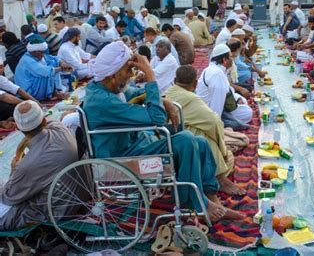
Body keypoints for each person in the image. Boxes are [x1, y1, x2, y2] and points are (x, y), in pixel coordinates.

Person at [84, 42, 241, 221]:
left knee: (200, 141)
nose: (131, 76)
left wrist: (164, 101)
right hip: (121, 157)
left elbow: (136, 93)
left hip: (135, 144)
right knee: (185, 140)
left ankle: (209, 196)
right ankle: (194, 204)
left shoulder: (107, 87)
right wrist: (150, 75)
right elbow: (156, 118)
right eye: (128, 71)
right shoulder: (103, 101)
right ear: (112, 75)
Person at [166, 65, 245, 196]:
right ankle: (220, 179)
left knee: (200, 128)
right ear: (196, 83)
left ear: (175, 81)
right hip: (180, 144)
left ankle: (215, 178)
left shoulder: (168, 94)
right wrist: (222, 149)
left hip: (169, 139)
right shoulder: (191, 99)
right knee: (207, 137)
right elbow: (214, 123)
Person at [0, 101, 79, 230]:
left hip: (57, 210)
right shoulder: (59, 128)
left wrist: (14, 171)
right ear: (43, 121)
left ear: (18, 128)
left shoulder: (27, 166)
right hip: (78, 193)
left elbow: (10, 197)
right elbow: (48, 122)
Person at [196, 44, 252, 125]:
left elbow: (227, 90)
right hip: (209, 113)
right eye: (230, 57)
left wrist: (237, 99)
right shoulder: (217, 74)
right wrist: (217, 124)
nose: (232, 60)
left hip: (221, 106)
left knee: (244, 103)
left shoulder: (216, 69)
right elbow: (216, 105)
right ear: (224, 60)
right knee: (247, 113)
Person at [15, 36, 69, 100]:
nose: (43, 54)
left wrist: (61, 63)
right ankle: (54, 93)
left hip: (34, 85)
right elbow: (44, 71)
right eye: (41, 52)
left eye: (43, 52)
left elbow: (55, 58)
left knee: (53, 63)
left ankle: (55, 92)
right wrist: (62, 68)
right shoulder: (26, 60)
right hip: (29, 91)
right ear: (34, 51)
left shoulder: (37, 55)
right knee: (47, 72)